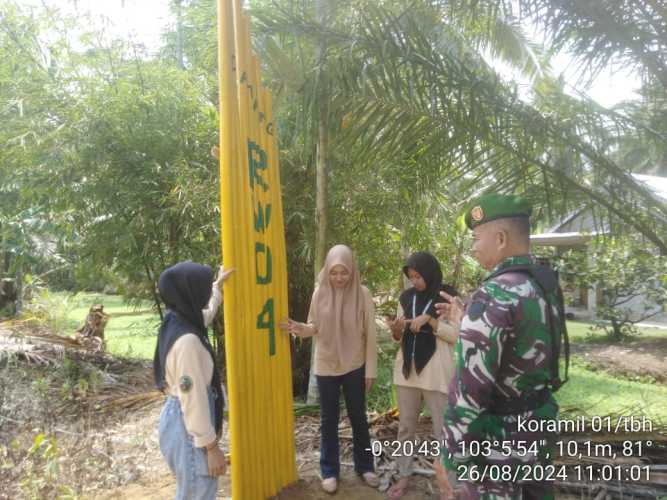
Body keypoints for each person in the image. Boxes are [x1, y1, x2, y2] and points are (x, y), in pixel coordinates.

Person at [433, 194, 569, 500]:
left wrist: (450, 456)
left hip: (500, 443)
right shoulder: (544, 285)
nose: (474, 247)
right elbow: (521, 349)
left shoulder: (494, 294)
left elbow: (470, 391)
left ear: (501, 238)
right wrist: (466, 325)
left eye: (477, 238)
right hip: (538, 428)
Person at [281, 244, 379, 494]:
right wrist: (301, 329)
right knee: (328, 420)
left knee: (358, 417)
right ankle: (329, 470)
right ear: (327, 271)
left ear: (351, 271)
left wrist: (371, 370)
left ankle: (365, 466)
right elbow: (315, 325)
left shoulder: (363, 293)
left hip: (355, 364)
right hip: (326, 364)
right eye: (334, 272)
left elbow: (371, 334)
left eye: (343, 272)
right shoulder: (318, 293)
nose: (338, 278)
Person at [153, 261, 234, 500]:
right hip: (189, 426)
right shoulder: (188, 343)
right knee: (198, 493)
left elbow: (205, 315)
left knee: (191, 492)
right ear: (190, 292)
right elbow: (194, 398)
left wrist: (218, 287)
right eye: (203, 287)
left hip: (177, 420)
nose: (206, 291)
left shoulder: (176, 320)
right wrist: (211, 448)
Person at [385, 252, 459, 499]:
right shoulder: (405, 298)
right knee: (405, 428)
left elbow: (457, 336)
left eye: (419, 276)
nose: (415, 281)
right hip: (408, 373)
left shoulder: (446, 296)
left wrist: (431, 322)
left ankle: (448, 484)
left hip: (437, 374)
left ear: (430, 273)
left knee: (443, 431)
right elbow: (399, 335)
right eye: (411, 276)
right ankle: (404, 474)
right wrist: (397, 330)